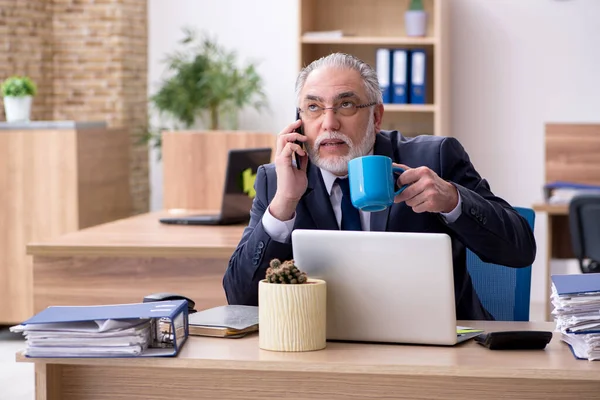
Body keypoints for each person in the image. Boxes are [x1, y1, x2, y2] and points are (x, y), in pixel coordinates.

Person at [222, 52, 536, 320]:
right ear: (299, 121)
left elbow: (520, 250)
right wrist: (284, 203)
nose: (329, 123)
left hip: (441, 350)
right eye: (314, 108)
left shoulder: (434, 158)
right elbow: (240, 299)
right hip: (326, 350)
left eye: (346, 105)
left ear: (376, 117)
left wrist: (453, 200)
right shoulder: (278, 179)